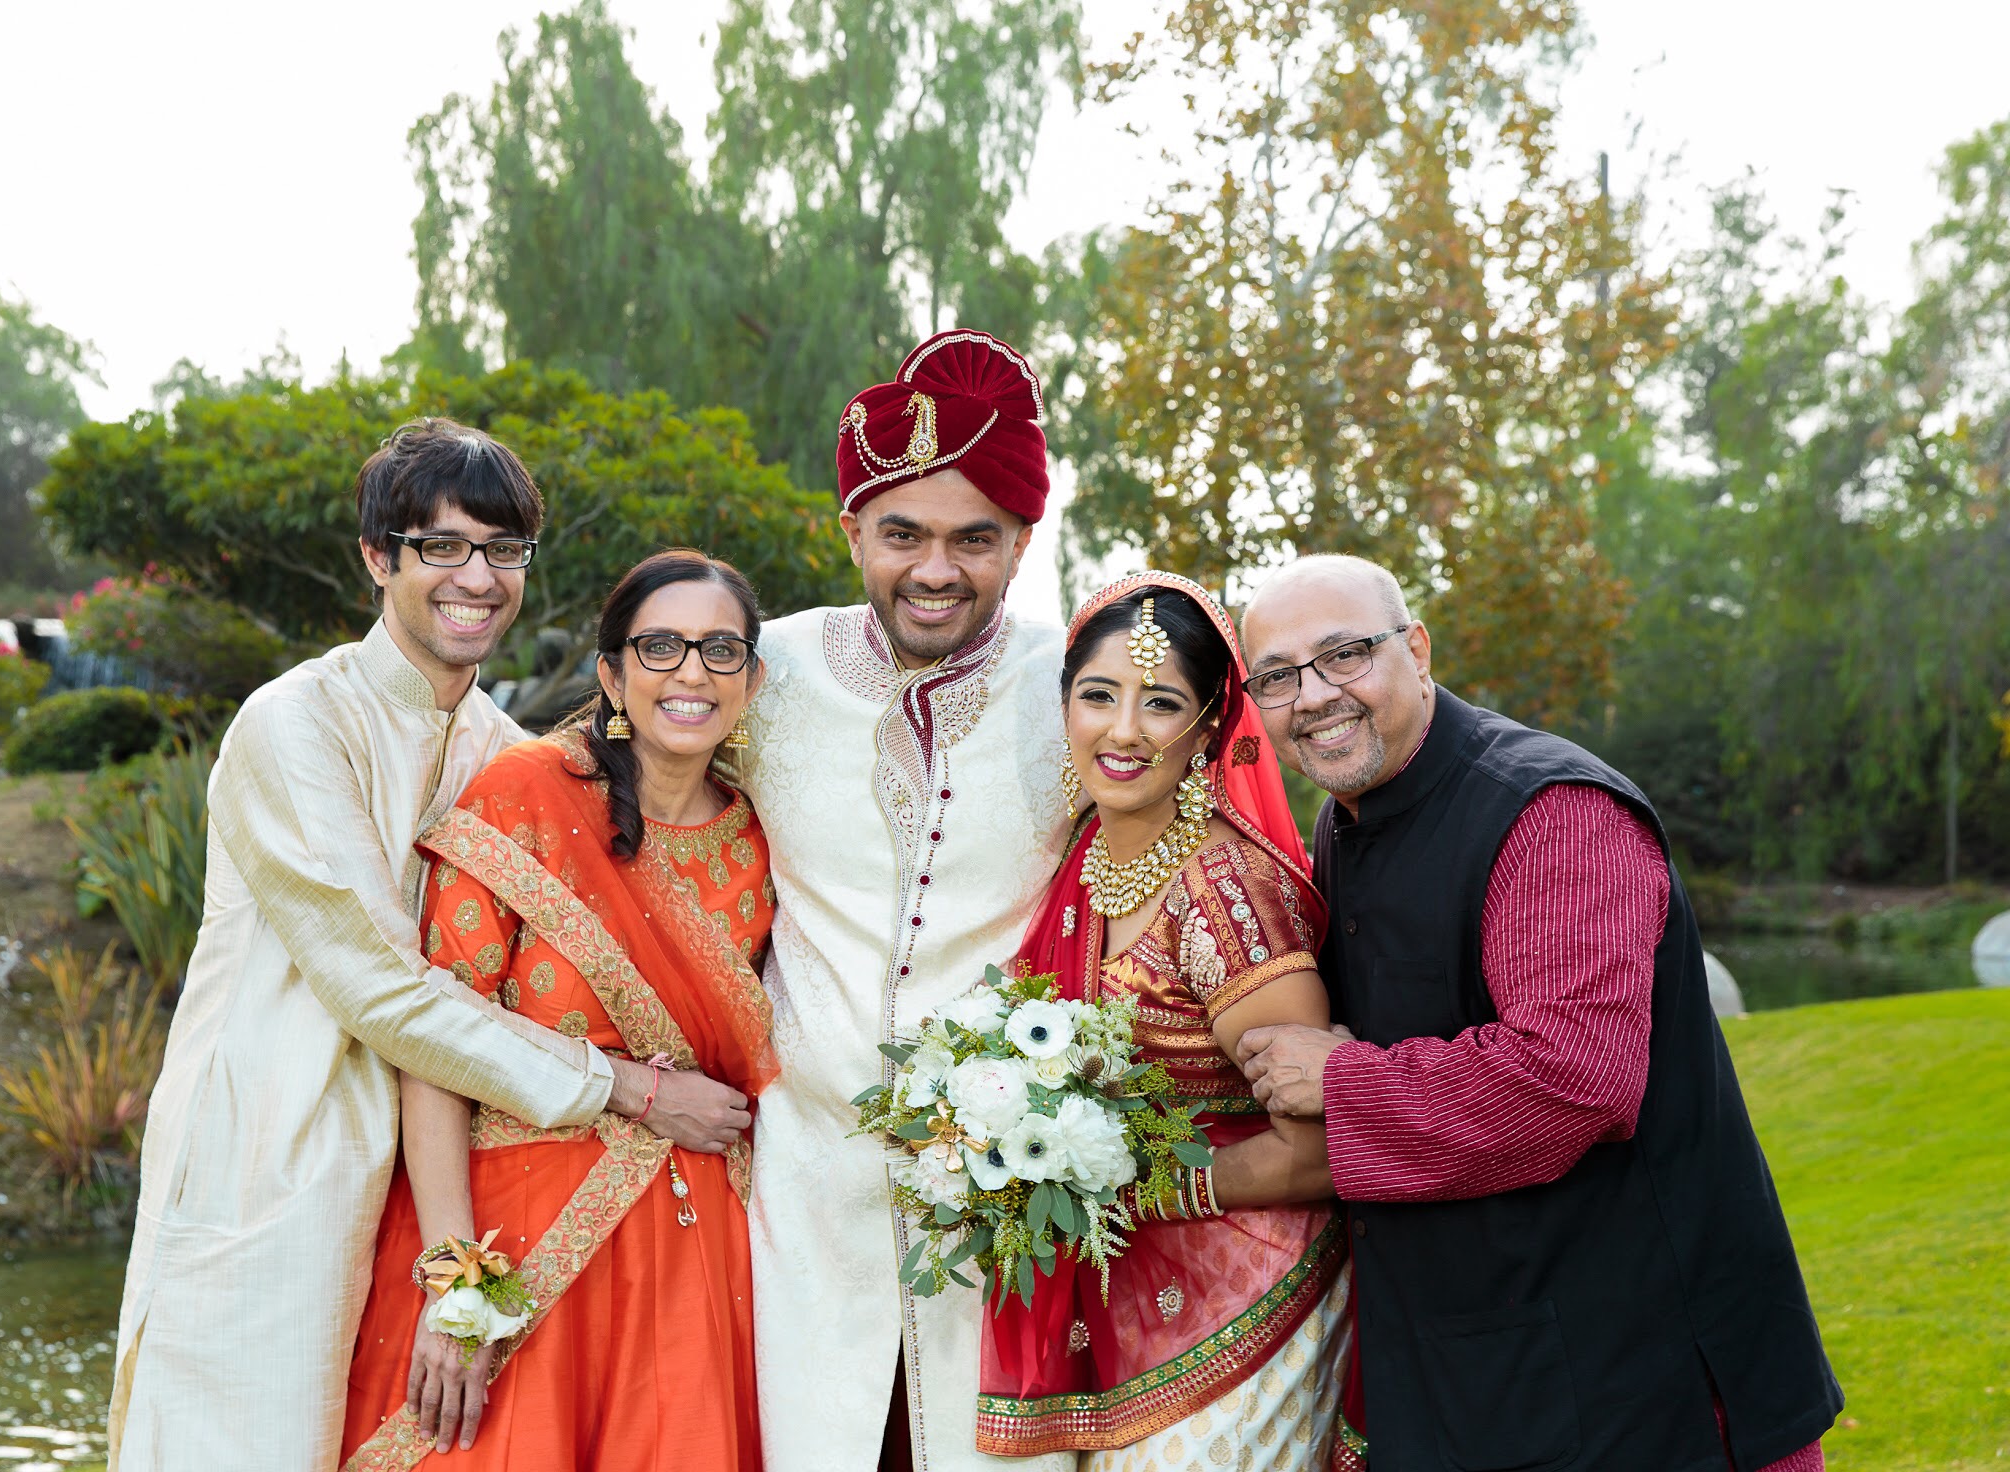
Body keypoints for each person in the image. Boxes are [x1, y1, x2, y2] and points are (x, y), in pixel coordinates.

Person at [108, 424, 746, 1472]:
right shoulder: (296, 724)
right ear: (377, 557)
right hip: (277, 1154)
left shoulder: (504, 752)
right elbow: (386, 989)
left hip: (435, 1174)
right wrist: (624, 1087)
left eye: (502, 550)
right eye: (441, 546)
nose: (477, 577)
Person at [1234, 553, 1839, 1472]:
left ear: (1419, 649)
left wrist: (1341, 1079)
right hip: (1496, 1365)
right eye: (1277, 676)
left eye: (1345, 655)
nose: (1313, 695)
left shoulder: (1550, 810)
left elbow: (1574, 1080)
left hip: (1647, 1374)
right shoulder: (1348, 819)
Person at [338, 550, 777, 1470]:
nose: (691, 672)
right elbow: (436, 1047)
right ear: (612, 675)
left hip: (698, 1263)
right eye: (660, 647)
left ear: (753, 678)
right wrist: (456, 1284)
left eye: (720, 650)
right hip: (514, 1244)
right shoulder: (524, 798)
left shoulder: (763, 841)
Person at [730, 329, 1075, 1472]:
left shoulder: (1083, 686)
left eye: (975, 538)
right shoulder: (759, 668)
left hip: (1008, 1205)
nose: (937, 568)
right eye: (903, 534)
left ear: (1023, 540)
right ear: (850, 532)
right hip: (800, 1191)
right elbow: (613, 762)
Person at [976, 573, 1365, 1472]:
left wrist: (1132, 1189)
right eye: (1098, 695)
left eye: (1161, 704)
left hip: (1252, 1295)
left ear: (1206, 728)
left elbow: (1314, 1149)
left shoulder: (1227, 896)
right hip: (1129, 1287)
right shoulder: (1085, 856)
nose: (1123, 730)